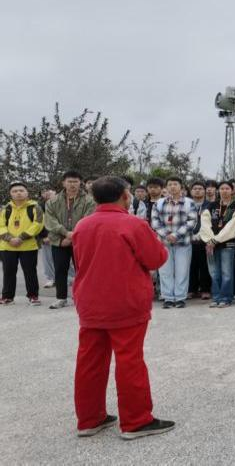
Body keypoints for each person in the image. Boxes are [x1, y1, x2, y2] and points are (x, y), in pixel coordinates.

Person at [71, 176, 175, 439]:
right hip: (125, 302)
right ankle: (136, 420)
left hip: (90, 301)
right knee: (129, 360)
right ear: (125, 196)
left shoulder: (83, 225)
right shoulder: (133, 224)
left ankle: (89, 418)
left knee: (89, 361)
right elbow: (156, 258)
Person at [42, 171, 96, 309]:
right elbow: (50, 221)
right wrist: (65, 233)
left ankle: (84, 297)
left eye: (75, 181)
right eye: (69, 181)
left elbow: (88, 219)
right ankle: (61, 298)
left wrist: (73, 236)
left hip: (81, 241)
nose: (72, 184)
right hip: (59, 241)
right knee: (60, 269)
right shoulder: (52, 201)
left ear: (80, 183)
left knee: (83, 270)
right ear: (63, 183)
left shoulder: (89, 201)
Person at [150, 177, 197, 309]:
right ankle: (168, 298)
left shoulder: (189, 203)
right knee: (165, 271)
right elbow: (155, 222)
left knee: (182, 271)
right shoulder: (159, 203)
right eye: (170, 184)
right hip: (164, 243)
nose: (172, 187)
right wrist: (167, 235)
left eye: (175, 184)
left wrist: (176, 235)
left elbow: (192, 222)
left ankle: (180, 298)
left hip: (183, 242)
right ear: (166, 187)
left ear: (181, 187)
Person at [1, 181, 45, 305]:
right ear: (10, 194)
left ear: (27, 193)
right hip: (7, 246)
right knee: (8, 272)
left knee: (30, 272)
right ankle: (7, 297)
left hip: (28, 246)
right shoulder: (5, 209)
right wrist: (10, 239)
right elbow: (1, 226)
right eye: (15, 191)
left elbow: (38, 224)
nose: (18, 193)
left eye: (21, 190)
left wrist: (21, 238)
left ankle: (33, 296)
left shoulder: (35, 207)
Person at [200, 181, 235, 308]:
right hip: (210, 244)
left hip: (227, 244)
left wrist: (216, 240)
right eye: (222, 188)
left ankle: (225, 298)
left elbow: (231, 227)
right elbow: (205, 224)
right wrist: (210, 240)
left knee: (227, 273)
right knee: (214, 272)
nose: (224, 191)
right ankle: (216, 297)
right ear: (218, 190)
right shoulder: (211, 205)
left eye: (227, 188)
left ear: (232, 191)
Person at [187, 181, 212, 301]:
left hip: (205, 239)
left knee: (205, 265)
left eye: (200, 188)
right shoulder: (186, 204)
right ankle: (191, 289)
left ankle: (205, 289)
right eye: (195, 188)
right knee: (190, 265)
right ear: (191, 191)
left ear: (205, 191)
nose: (197, 190)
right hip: (188, 238)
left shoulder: (210, 205)